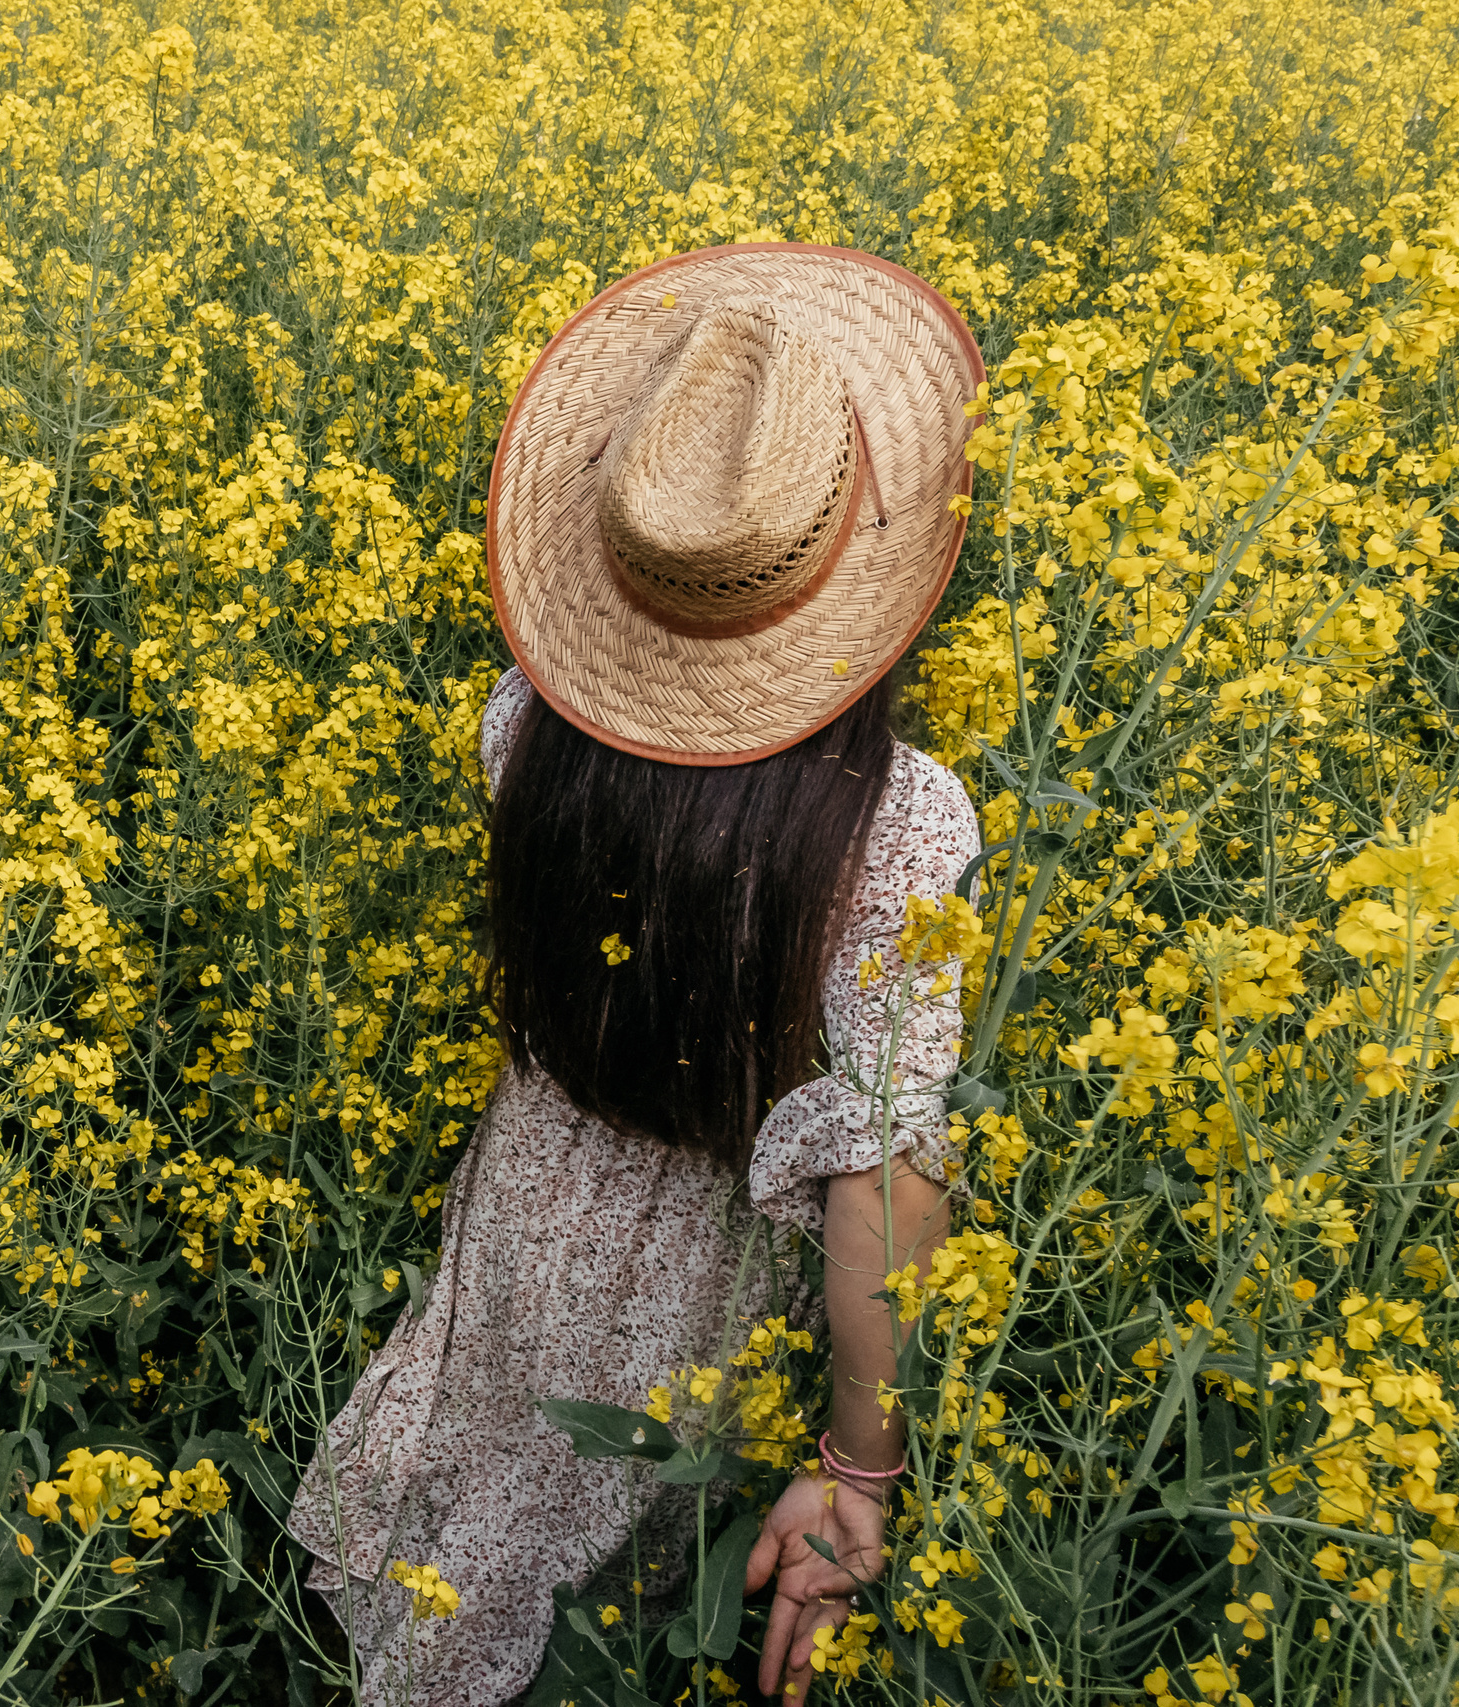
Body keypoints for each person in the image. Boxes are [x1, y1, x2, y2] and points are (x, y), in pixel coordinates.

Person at [285, 244, 986, 1705]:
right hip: (704, 1274)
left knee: (487, 1493)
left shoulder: (523, 724)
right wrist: (859, 1467)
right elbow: (882, 1166)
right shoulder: (900, 822)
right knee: (609, 1601)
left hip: (534, 1201)